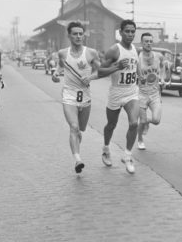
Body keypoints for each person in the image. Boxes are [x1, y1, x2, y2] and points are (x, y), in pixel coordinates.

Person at [52, 21, 100, 173]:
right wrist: (55, 73)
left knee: (80, 130)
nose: (78, 36)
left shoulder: (91, 53)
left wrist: (90, 77)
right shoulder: (63, 53)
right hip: (69, 95)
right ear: (69, 36)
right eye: (75, 34)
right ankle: (78, 159)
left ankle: (76, 145)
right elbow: (60, 65)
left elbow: (101, 71)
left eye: (81, 33)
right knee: (73, 127)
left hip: (85, 97)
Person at [97, 19, 140, 174]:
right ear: (120, 32)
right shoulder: (114, 50)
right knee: (111, 125)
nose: (130, 34)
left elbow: (136, 68)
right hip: (116, 92)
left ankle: (127, 156)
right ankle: (106, 148)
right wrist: (116, 66)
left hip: (131, 92)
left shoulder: (136, 49)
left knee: (134, 123)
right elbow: (100, 71)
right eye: (127, 31)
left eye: (132, 31)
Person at [136, 32, 166, 150]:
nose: (148, 43)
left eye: (150, 41)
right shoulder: (137, 57)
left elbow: (164, 66)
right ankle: (140, 139)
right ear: (142, 43)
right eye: (146, 41)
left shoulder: (158, 56)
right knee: (141, 121)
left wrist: (162, 78)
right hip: (141, 94)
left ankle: (146, 121)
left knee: (156, 120)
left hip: (154, 94)